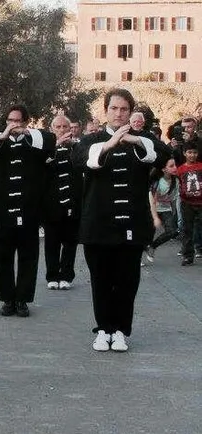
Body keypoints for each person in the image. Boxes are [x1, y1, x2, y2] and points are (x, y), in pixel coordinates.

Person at [71, 88, 169, 352]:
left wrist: (136, 141)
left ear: (130, 112)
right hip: (98, 224)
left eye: (124, 109)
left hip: (132, 225)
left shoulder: (143, 139)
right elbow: (79, 160)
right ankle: (103, 329)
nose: (118, 113)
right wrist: (109, 145)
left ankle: (121, 330)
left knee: (127, 281)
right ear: (106, 111)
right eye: (114, 108)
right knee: (101, 279)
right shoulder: (91, 140)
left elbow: (165, 154)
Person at [0, 105, 56, 317]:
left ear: (26, 123)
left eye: (17, 121)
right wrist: (2, 135)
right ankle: (8, 299)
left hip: (29, 211)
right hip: (3, 212)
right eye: (10, 120)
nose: (13, 125)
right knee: (3, 257)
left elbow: (51, 139)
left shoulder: (34, 143)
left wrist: (26, 133)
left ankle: (23, 300)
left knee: (29, 257)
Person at [43, 115, 83, 290]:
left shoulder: (78, 148)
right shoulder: (47, 149)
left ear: (71, 129)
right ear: (52, 129)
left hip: (73, 203)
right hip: (51, 204)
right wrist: (56, 145)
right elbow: (41, 167)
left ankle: (66, 275)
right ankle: (52, 275)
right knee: (51, 242)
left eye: (65, 127)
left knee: (70, 242)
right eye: (57, 126)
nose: (61, 129)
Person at [145, 158, 179, 263]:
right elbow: (152, 201)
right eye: (171, 166)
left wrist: (174, 212)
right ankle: (140, 255)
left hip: (166, 209)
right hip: (152, 209)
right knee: (148, 235)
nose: (175, 168)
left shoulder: (176, 180)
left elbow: (174, 198)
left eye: (175, 165)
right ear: (164, 169)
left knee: (172, 231)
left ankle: (152, 246)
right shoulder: (156, 181)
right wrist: (155, 217)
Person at [177, 143, 202, 265]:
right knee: (187, 229)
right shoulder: (180, 169)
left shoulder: (201, 166)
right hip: (187, 203)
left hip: (201, 202)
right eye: (190, 152)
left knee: (200, 228)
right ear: (184, 153)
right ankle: (188, 255)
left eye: (195, 152)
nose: (192, 155)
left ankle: (200, 249)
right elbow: (178, 185)